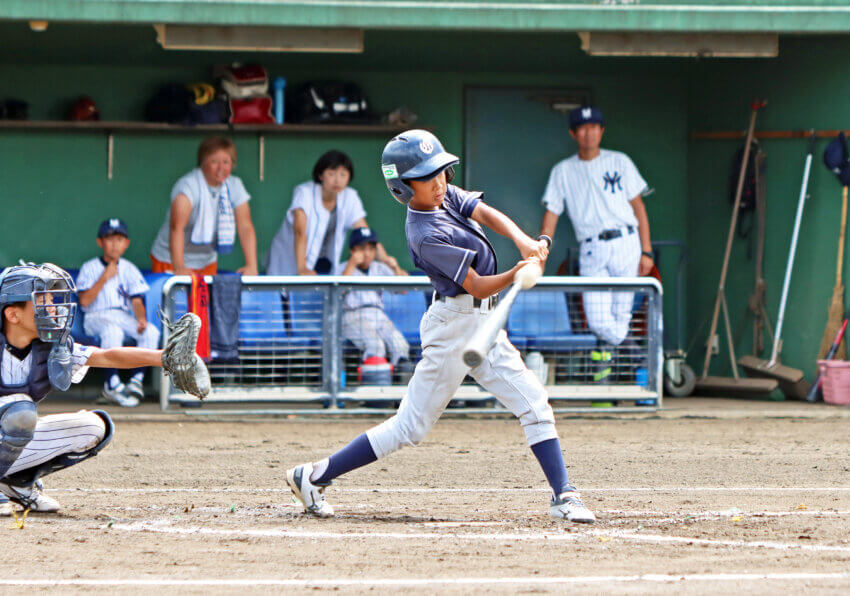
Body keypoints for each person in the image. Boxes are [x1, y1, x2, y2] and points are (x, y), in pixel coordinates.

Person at [285, 130, 596, 524]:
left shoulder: (441, 191)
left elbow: (482, 212)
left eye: (441, 172)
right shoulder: (423, 233)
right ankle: (313, 476)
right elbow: (477, 284)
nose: (440, 182)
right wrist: (516, 274)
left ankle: (563, 495)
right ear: (403, 187)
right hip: (454, 328)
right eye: (427, 176)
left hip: (483, 324)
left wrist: (523, 242)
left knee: (534, 405)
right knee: (409, 427)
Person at [0, 262, 207, 514]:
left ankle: (17, 482)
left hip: (10, 433)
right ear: (13, 315)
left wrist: (164, 357)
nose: (52, 306)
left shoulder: (51, 347)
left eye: (51, 298)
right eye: (41, 300)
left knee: (95, 427)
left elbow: (107, 356)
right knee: (19, 411)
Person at [538, 106, 653, 382]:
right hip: (591, 246)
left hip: (627, 240)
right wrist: (540, 252)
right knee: (599, 317)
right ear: (573, 133)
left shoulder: (619, 161)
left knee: (622, 314)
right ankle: (641, 359)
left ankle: (611, 375)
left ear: (601, 131)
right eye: (583, 128)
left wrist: (646, 250)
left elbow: (639, 208)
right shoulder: (562, 171)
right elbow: (551, 216)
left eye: (594, 127)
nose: (589, 133)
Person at [266, 150, 400, 276]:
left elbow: (365, 233)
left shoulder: (349, 197)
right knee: (284, 295)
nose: (337, 180)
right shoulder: (304, 192)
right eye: (331, 173)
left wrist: (386, 260)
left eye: (343, 174)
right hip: (289, 259)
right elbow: (300, 232)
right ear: (320, 175)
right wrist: (302, 268)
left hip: (323, 263)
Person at [76, 219, 160, 407]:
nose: (115, 244)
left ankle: (135, 382)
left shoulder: (129, 268)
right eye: (110, 239)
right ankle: (111, 384)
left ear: (126, 243)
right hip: (95, 317)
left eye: (119, 239)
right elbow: (84, 301)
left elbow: (137, 300)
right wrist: (104, 277)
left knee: (151, 331)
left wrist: (141, 319)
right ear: (100, 242)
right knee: (113, 331)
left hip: (123, 316)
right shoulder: (89, 267)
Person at [150, 136, 258, 276]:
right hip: (169, 259)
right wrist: (179, 267)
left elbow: (245, 226)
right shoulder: (188, 186)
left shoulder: (235, 185)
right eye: (214, 161)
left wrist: (252, 265)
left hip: (206, 262)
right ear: (202, 162)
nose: (221, 168)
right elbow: (177, 228)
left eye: (226, 162)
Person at [339, 227, 414, 382]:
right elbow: (339, 292)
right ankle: (375, 393)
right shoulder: (344, 267)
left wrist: (395, 267)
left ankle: (401, 393)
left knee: (400, 345)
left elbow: (403, 290)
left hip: (378, 315)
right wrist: (351, 264)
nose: (367, 253)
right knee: (376, 345)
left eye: (371, 248)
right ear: (353, 250)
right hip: (353, 315)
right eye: (362, 248)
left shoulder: (379, 267)